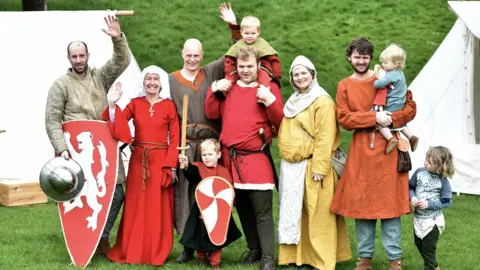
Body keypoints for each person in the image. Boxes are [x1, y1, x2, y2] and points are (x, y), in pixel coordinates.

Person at [44, 15, 131, 254]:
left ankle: (101, 237)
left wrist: (117, 39)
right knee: (79, 197)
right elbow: (52, 120)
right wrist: (62, 149)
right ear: (69, 58)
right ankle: (83, 242)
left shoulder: (99, 77)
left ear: (88, 56)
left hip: (104, 149)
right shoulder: (60, 85)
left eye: (82, 56)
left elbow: (122, 61)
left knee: (117, 192)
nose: (79, 60)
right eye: (75, 56)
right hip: (76, 153)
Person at [329, 37, 417, 270]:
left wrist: (389, 119)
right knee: (362, 207)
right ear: (350, 57)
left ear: (371, 58)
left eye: (365, 56)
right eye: (357, 56)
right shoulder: (344, 85)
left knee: (391, 208)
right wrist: (372, 118)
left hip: (390, 150)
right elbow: (345, 118)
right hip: (361, 152)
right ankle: (364, 258)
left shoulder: (386, 77)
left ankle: (394, 260)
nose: (361, 60)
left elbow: (410, 108)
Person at [170, 4, 242, 263]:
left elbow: (232, 55)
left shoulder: (210, 72)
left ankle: (213, 242)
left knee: (210, 193)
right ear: (182, 54)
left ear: (202, 55)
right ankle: (187, 246)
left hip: (210, 147)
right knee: (185, 197)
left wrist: (233, 26)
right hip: (186, 145)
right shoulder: (170, 79)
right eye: (188, 55)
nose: (192, 59)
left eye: (196, 55)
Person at [205, 47, 284, 270]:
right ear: (236, 67)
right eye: (241, 67)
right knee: (243, 208)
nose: (245, 70)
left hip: (256, 158)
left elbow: (279, 121)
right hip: (231, 159)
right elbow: (212, 113)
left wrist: (270, 101)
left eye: (250, 66)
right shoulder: (229, 87)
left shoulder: (268, 88)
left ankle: (268, 257)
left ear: (258, 65)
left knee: (262, 210)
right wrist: (214, 90)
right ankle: (255, 248)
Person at [276, 55, 351, 270]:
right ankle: (297, 257)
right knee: (297, 213)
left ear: (312, 75)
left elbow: (325, 137)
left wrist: (319, 167)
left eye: (303, 73)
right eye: (296, 74)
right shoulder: (293, 101)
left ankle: (321, 260)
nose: (300, 77)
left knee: (318, 216)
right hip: (292, 167)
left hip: (313, 166)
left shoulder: (322, 101)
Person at [102, 66, 179, 266]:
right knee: (135, 207)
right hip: (138, 163)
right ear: (143, 82)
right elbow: (117, 122)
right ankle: (132, 249)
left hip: (160, 162)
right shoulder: (135, 104)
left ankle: (154, 251)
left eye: (155, 79)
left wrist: (170, 167)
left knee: (157, 207)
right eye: (148, 79)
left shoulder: (169, 106)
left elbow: (175, 138)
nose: (152, 82)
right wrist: (112, 105)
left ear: (161, 82)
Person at [178, 139, 242, 269]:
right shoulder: (199, 168)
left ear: (218, 154)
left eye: (210, 154)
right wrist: (185, 164)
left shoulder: (223, 171)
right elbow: (192, 175)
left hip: (220, 211)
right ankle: (201, 258)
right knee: (200, 235)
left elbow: (228, 191)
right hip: (201, 209)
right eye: (204, 155)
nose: (206, 158)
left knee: (218, 235)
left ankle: (215, 261)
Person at [409, 146, 454, 270]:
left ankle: (429, 267)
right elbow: (410, 187)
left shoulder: (443, 180)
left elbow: (446, 201)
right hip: (418, 218)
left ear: (440, 166)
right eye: (426, 159)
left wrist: (429, 204)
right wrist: (412, 197)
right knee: (419, 244)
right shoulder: (419, 172)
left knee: (428, 249)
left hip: (433, 221)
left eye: (429, 162)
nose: (425, 163)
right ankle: (435, 267)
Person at [221, 3, 282, 91]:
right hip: (240, 68)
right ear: (241, 32)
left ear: (258, 32)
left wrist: (277, 74)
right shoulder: (239, 44)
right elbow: (229, 59)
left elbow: (273, 59)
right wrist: (230, 70)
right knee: (229, 77)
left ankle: (263, 93)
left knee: (263, 76)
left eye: (253, 33)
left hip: (260, 68)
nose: (249, 36)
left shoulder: (262, 44)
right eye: (246, 33)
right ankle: (224, 91)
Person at [373, 44, 419, 154]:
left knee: (378, 122)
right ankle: (411, 137)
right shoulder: (400, 74)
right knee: (401, 124)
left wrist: (377, 80)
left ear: (395, 64)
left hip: (391, 105)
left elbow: (379, 84)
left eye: (385, 62)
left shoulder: (391, 75)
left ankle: (391, 139)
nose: (382, 65)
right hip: (400, 104)